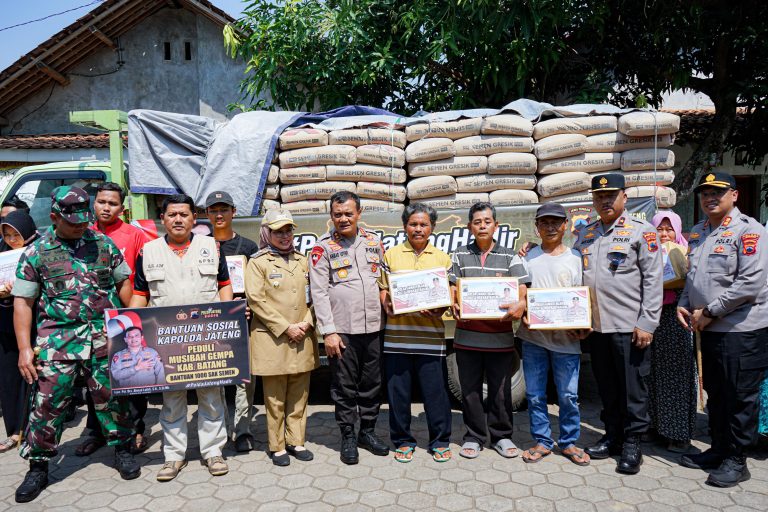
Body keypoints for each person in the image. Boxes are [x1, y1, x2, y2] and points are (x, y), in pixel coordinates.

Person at [12, 186, 139, 503]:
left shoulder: (103, 244)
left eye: (85, 220)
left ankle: (122, 450)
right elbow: (23, 303)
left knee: (112, 398)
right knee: (47, 405)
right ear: (55, 217)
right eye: (74, 222)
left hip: (102, 339)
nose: (82, 226)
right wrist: (25, 349)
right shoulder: (37, 253)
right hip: (58, 342)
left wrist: (137, 322)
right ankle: (39, 466)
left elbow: (124, 283)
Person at [130, 194, 233, 481]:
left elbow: (224, 285)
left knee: (211, 395)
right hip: (167, 340)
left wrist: (229, 319)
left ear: (193, 218)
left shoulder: (211, 247)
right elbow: (140, 294)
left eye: (184, 215)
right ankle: (173, 457)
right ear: (162, 219)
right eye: (172, 214)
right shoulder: (148, 252)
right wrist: (125, 326)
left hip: (207, 337)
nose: (178, 219)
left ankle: (213, 452)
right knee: (172, 398)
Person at [677, 171, 768, 487]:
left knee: (739, 396)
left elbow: (751, 283)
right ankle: (718, 449)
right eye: (705, 193)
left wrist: (711, 311)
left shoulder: (749, 232)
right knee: (715, 393)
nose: (710, 197)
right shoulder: (700, 232)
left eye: (717, 192)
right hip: (707, 328)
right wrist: (683, 303)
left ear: (734, 195)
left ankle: (737, 460)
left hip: (740, 331)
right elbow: (693, 275)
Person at [575, 173, 663, 475]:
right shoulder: (586, 234)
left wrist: (647, 323)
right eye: (599, 196)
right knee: (607, 387)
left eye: (611, 195)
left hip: (629, 327)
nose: (605, 200)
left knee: (632, 390)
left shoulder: (642, 231)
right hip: (597, 327)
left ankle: (633, 443)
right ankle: (612, 436)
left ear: (624, 197)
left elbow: (654, 280)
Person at [309, 191, 389, 465]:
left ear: (359, 213)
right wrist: (328, 331)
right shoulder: (322, 248)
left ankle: (367, 432)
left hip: (374, 327)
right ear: (331, 216)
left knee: (372, 384)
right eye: (337, 214)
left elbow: (384, 279)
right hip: (342, 330)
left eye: (348, 213)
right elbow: (318, 292)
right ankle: (348, 436)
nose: (343, 219)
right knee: (344, 387)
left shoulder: (373, 242)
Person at [449, 201, 530, 460]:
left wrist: (520, 303)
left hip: (500, 338)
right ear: (469, 226)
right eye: (477, 222)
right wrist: (453, 301)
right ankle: (473, 436)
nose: (482, 225)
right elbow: (452, 285)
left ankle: (502, 436)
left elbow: (522, 288)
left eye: (487, 221)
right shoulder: (459, 254)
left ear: (495, 225)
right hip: (466, 337)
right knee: (470, 390)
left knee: (500, 389)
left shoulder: (510, 256)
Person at [78, 182, 150, 457]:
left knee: (132, 376)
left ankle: (136, 429)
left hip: (125, 318)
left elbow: (143, 279)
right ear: (93, 204)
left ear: (123, 207)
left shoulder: (134, 236)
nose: (106, 207)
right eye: (101, 202)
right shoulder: (81, 233)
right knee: (93, 381)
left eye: (112, 203)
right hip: (90, 323)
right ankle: (95, 432)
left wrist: (134, 316)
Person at [517, 202, 590, 466]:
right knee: (536, 395)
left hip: (567, 340)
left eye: (555, 222)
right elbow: (519, 293)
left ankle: (569, 442)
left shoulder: (576, 258)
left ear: (565, 226)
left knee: (568, 395)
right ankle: (543, 441)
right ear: (536, 228)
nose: (550, 227)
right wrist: (523, 311)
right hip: (533, 339)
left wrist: (584, 323)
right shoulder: (526, 258)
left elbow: (583, 297)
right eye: (544, 223)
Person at [379, 204, 453, 463]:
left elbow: (449, 295)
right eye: (413, 224)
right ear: (404, 227)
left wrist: (440, 307)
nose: (418, 229)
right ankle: (402, 440)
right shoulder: (391, 255)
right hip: (397, 339)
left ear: (432, 228)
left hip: (431, 339)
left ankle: (440, 440)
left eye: (423, 224)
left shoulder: (442, 258)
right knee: (398, 395)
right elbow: (383, 290)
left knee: (436, 395)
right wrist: (387, 303)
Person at [246, 209, 319, 466]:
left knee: (300, 394)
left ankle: (296, 441)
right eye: (278, 231)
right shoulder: (258, 262)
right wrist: (287, 327)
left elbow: (317, 296)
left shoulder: (303, 260)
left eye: (288, 230)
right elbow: (256, 300)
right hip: (274, 338)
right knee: (275, 398)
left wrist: (307, 323)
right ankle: (277, 446)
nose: (285, 236)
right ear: (267, 233)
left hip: (303, 336)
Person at [205, 191, 260, 453]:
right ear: (206, 214)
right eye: (214, 210)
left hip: (242, 322)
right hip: (209, 324)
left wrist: (249, 308)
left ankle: (242, 430)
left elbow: (257, 287)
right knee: (213, 378)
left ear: (233, 212)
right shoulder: (199, 246)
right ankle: (217, 430)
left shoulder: (248, 247)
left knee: (244, 380)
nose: (219, 215)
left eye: (224, 209)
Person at [647, 211, 697, 453]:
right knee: (652, 373)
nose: (664, 234)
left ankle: (678, 434)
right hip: (651, 317)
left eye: (669, 229)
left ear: (677, 231)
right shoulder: (647, 252)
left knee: (676, 375)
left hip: (677, 318)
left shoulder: (687, 252)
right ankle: (655, 427)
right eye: (659, 229)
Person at [0, 211, 38, 453]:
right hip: (4, 323)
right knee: (8, 377)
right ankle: (14, 430)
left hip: (32, 322)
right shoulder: (2, 253)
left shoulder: (39, 250)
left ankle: (34, 429)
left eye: (17, 234)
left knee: (34, 375)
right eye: (7, 235)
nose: (13, 239)